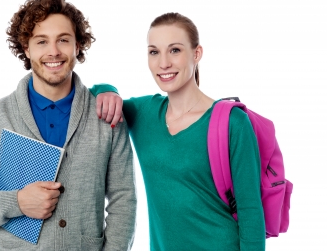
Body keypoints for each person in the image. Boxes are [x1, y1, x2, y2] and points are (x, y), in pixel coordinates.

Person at [0, 0, 136, 251]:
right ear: (26, 48)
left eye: (63, 40)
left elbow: (124, 200)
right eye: (41, 41)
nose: (53, 51)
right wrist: (17, 202)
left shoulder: (106, 116)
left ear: (78, 45)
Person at [93, 12, 265, 250]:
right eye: (154, 52)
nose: (163, 63)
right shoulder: (144, 113)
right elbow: (95, 94)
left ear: (197, 54)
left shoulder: (232, 122)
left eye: (174, 50)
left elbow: (251, 212)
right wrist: (108, 89)